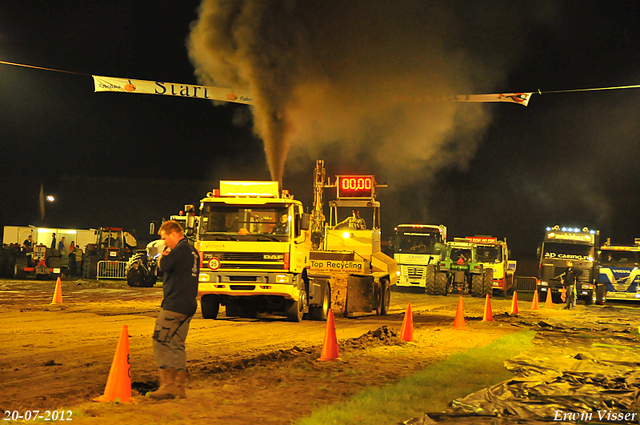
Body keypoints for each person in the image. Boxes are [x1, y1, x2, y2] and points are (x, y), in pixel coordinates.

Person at [147, 220, 199, 400]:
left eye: (164, 238)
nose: (164, 242)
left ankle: (167, 385)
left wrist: (162, 255)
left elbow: (164, 266)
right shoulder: (192, 251)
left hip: (174, 305)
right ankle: (179, 388)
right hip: (188, 304)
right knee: (177, 344)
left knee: (160, 340)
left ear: (173, 234)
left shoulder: (179, 251)